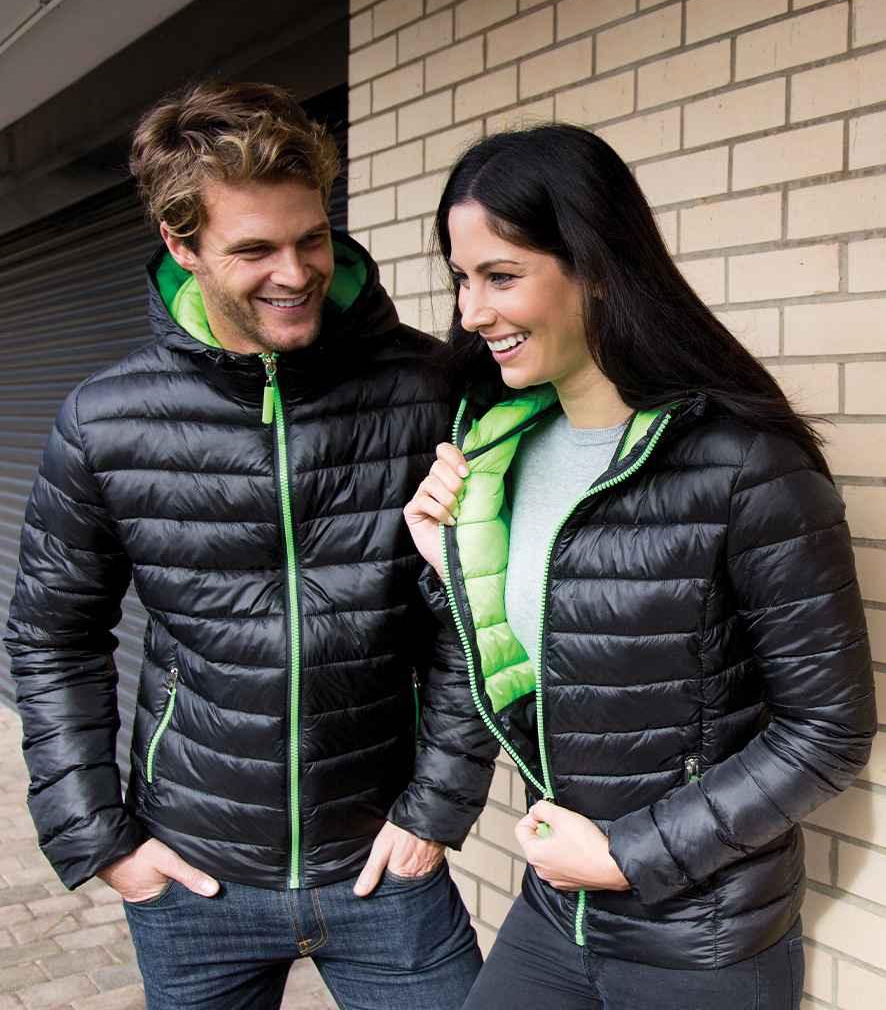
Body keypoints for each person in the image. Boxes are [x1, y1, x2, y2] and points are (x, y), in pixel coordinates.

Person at [4, 80, 497, 1010]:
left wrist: (436, 807)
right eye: (254, 249)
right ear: (180, 245)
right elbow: (52, 635)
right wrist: (97, 836)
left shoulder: (429, 388)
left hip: (386, 866)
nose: (295, 272)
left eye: (311, 238)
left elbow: (474, 612)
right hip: (193, 880)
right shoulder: (105, 421)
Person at [404, 124, 876, 1010]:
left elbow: (829, 730)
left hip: (700, 943)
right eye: (462, 279)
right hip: (558, 914)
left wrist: (627, 855)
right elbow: (532, 672)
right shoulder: (500, 452)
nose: (471, 313)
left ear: (596, 266)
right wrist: (450, 567)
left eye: (501, 276)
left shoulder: (746, 463)